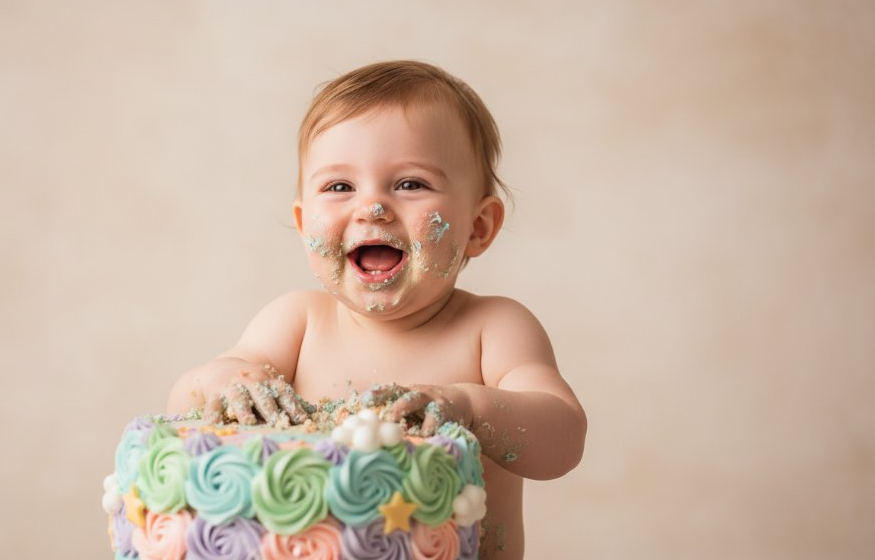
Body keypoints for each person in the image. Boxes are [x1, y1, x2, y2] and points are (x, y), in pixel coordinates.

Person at [167, 60, 586, 558]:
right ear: (304, 225)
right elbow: (183, 405)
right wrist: (225, 381)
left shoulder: (492, 329)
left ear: (478, 227)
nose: (373, 207)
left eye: (410, 184)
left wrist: (470, 407)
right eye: (339, 187)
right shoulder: (298, 323)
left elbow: (562, 441)